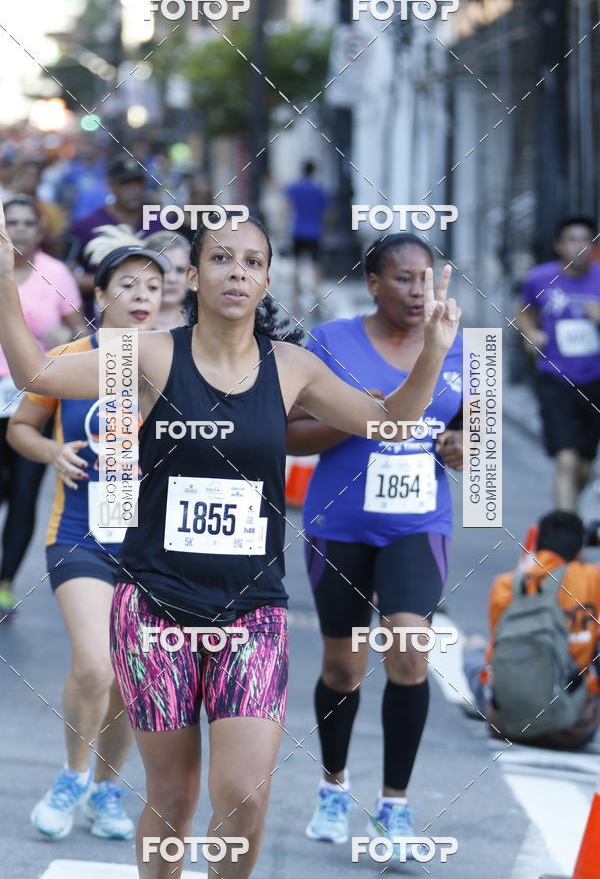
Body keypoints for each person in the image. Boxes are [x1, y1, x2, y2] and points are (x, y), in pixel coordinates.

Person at [0, 204, 460, 878]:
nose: (237, 272)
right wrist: (5, 280)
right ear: (192, 276)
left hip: (252, 613)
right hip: (155, 609)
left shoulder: (293, 367)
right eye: (220, 258)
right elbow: (36, 376)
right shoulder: (151, 354)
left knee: (244, 796)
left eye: (252, 262)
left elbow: (388, 420)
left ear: (267, 280)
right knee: (173, 799)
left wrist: (436, 352)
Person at [286, 234, 463, 857]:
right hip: (340, 524)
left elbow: (480, 442)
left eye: (426, 279)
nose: (418, 291)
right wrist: (363, 417)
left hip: (417, 523)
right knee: (345, 666)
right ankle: (334, 786)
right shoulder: (332, 342)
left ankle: (394, 806)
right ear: (373, 284)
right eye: (403, 278)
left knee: (410, 650)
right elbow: (290, 435)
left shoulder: (465, 347)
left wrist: (464, 447)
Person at [8, 228, 167, 839]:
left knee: (131, 675)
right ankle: (73, 775)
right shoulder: (71, 357)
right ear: (100, 295)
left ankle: (106, 788)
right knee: (97, 665)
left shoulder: (175, 361)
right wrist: (52, 451)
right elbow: (20, 428)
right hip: (79, 533)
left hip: (150, 545)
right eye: (127, 284)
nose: (142, 295)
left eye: (153, 286)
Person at [0, 195, 85, 616]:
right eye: (11, 222)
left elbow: (81, 334)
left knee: (23, 493)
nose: (19, 230)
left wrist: (61, 339)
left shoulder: (55, 274)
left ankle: (5, 581)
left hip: (33, 399)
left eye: (27, 223)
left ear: (40, 229)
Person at [463, 510, 600, 749]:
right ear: (580, 549)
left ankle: (488, 701)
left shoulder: (506, 583)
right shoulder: (592, 578)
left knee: (474, 645)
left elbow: (498, 646)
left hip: (506, 723)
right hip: (573, 727)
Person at [516, 216, 600, 512]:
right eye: (572, 239)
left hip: (595, 380)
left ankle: (566, 515)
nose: (580, 246)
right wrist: (531, 332)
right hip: (554, 379)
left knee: (584, 466)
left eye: (586, 240)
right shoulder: (540, 278)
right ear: (559, 245)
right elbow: (523, 310)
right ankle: (568, 529)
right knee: (566, 460)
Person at [66, 157, 161, 323]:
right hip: (101, 321)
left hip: (155, 319)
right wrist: (110, 282)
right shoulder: (86, 225)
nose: (133, 189)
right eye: (126, 183)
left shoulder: (160, 222)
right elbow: (65, 276)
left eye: (138, 182)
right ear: (111, 185)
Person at [284, 161, 330, 310]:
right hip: (314, 231)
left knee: (297, 264)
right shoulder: (319, 189)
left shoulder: (295, 187)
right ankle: (317, 294)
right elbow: (327, 211)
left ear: (302, 170)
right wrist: (325, 230)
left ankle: (296, 297)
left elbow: (288, 206)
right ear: (314, 171)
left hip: (298, 230)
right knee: (316, 264)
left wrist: (286, 225)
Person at [144, 230, 190, 329]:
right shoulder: (123, 322)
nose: (172, 279)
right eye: (163, 270)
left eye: (180, 270)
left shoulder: (204, 323)